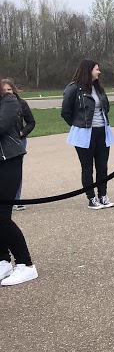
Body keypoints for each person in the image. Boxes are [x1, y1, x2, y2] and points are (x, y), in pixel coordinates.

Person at [61, 59, 114, 210]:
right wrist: (78, 124)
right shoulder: (73, 88)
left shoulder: (99, 88)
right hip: (84, 133)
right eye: (96, 69)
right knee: (87, 167)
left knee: (102, 166)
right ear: (88, 70)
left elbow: (106, 107)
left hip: (102, 131)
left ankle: (103, 195)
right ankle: (91, 198)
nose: (99, 72)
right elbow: (65, 112)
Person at [0, 88, 36, 286]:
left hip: (8, 161)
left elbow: (2, 126)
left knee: (2, 216)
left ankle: (26, 263)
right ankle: (3, 260)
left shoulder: (9, 100)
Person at [0, 80, 34, 211]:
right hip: (7, 140)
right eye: (4, 90)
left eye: (9, 90)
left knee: (14, 171)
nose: (7, 93)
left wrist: (23, 132)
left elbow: (31, 122)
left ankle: (16, 199)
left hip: (17, 140)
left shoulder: (20, 103)